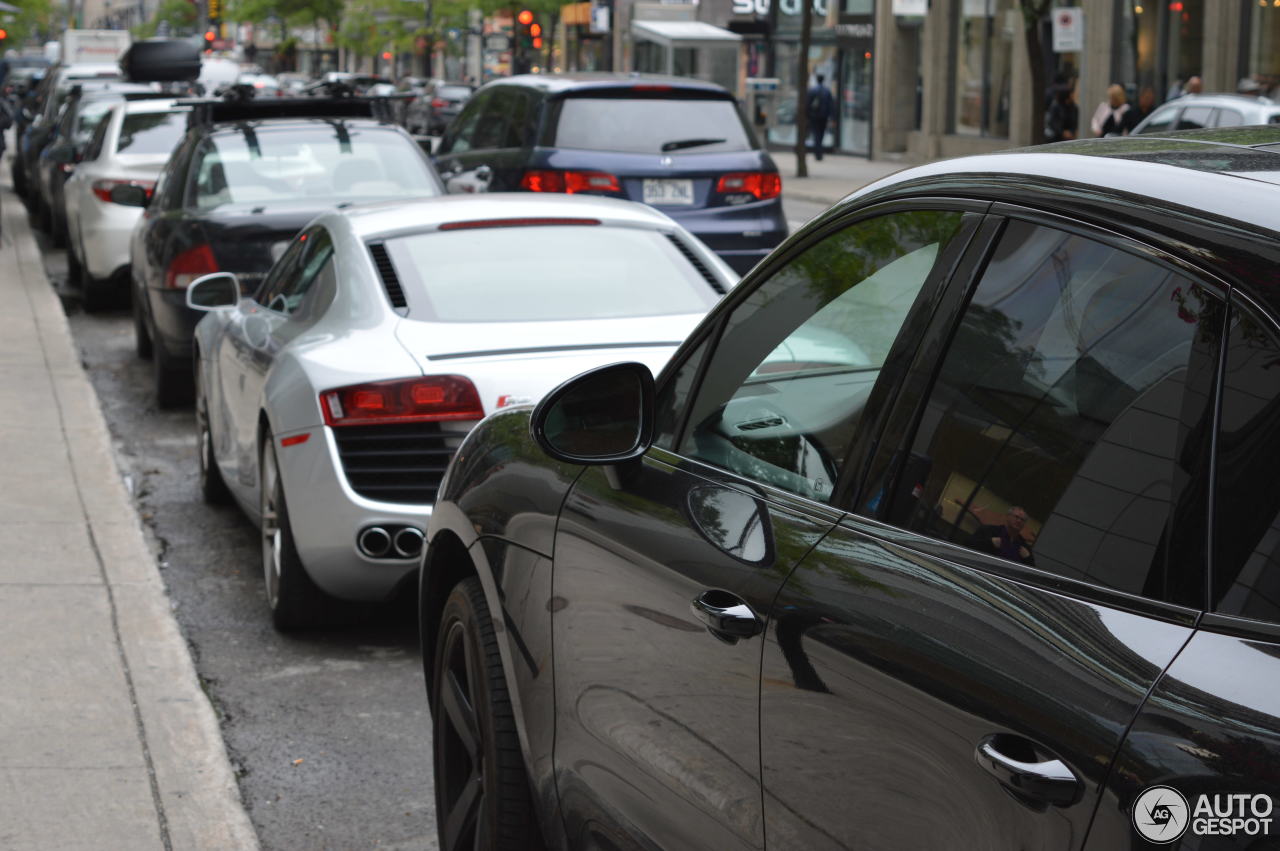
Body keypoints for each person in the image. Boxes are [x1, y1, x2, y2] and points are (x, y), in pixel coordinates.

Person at [967, 506, 1035, 565]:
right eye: (1016, 517)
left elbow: (1032, 573)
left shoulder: (1024, 546)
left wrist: (1027, 558)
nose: (1019, 521)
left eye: (1022, 520)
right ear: (1008, 517)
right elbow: (968, 547)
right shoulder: (988, 531)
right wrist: (989, 543)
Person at [805, 73, 834, 161]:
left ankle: (817, 152)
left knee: (816, 134)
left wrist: (808, 115)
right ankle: (819, 152)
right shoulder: (827, 91)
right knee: (820, 134)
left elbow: (807, 104)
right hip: (823, 116)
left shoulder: (812, 90)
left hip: (814, 116)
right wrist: (831, 117)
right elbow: (831, 105)